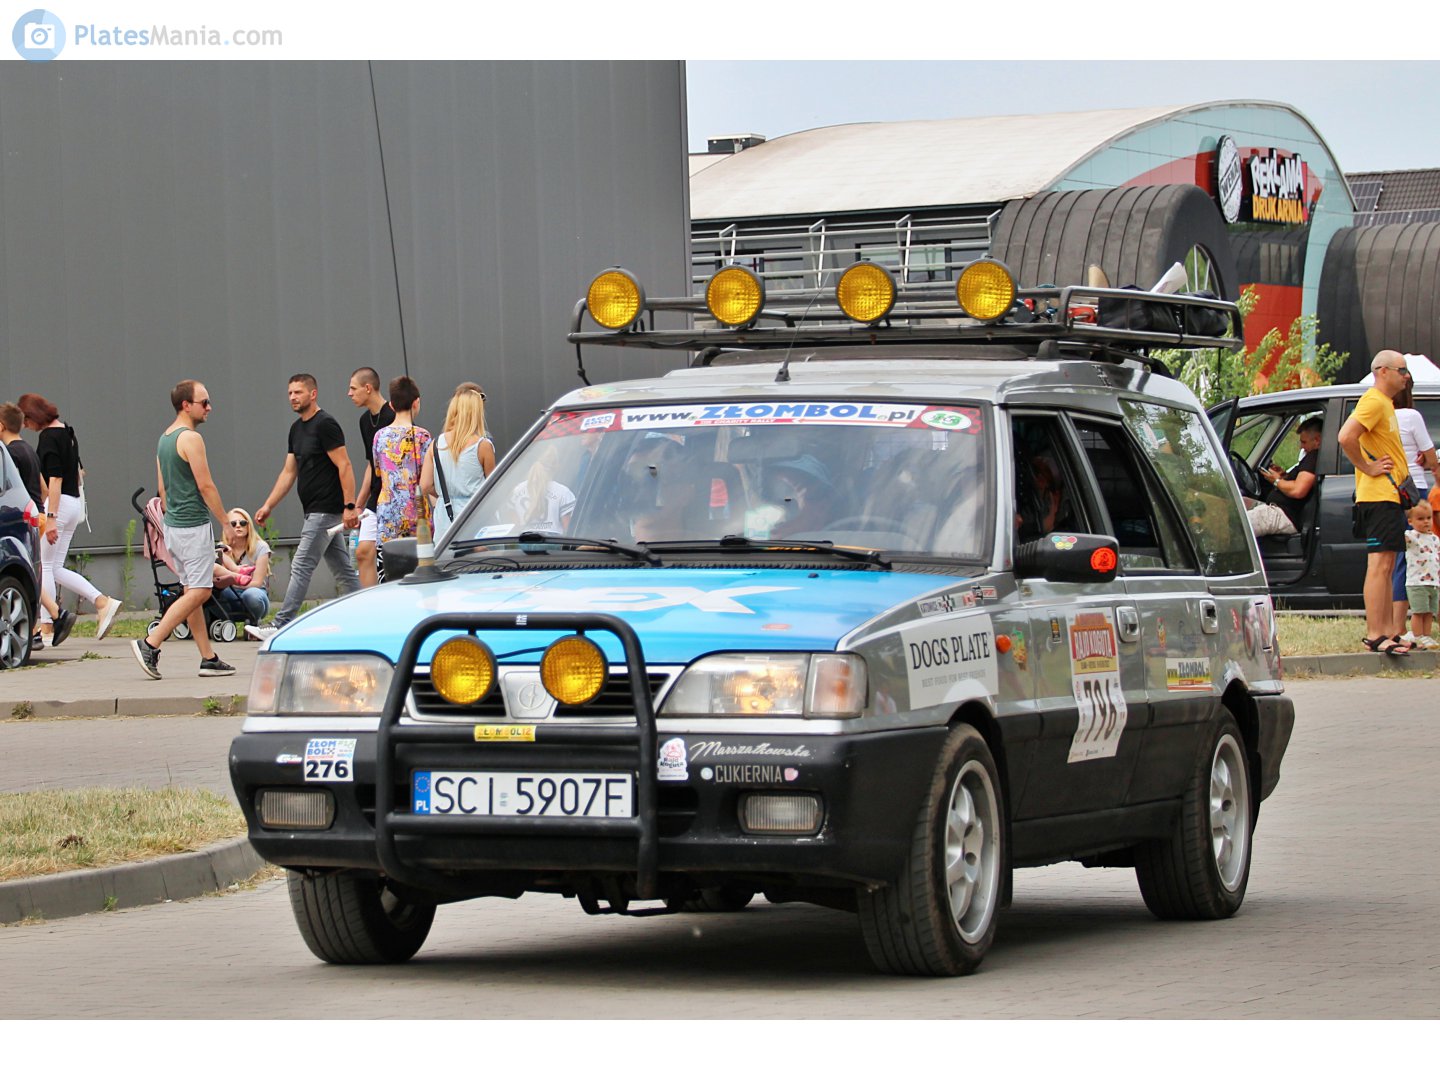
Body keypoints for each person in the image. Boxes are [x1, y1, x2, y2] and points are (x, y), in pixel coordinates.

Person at [129, 380, 235, 679]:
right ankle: (150, 643)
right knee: (201, 591)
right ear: (186, 405)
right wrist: (225, 521)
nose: (209, 407)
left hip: (173, 526)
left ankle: (208, 658)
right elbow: (205, 485)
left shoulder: (164, 439)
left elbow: (162, 491)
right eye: (204, 402)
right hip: (192, 525)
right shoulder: (190, 438)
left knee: (192, 592)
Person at [249, 373, 361, 639]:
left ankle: (280, 624)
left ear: (313, 394)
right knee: (344, 570)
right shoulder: (296, 429)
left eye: (298, 392)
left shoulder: (326, 425)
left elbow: (344, 465)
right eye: (290, 393)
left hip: (326, 509)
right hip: (314, 509)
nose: (292, 398)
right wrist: (268, 505)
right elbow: (289, 472)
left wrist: (349, 505)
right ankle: (366, 615)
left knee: (301, 565)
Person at [16, 393, 123, 642]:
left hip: (59, 505)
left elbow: (55, 479)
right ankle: (101, 601)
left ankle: (48, 626)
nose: (26, 426)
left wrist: (50, 517)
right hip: (74, 504)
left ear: (33, 416)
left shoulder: (48, 437)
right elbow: (76, 472)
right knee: (54, 568)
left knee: (42, 568)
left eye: (26, 420)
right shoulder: (67, 431)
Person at [1337, 350, 1413, 655]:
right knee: (1380, 565)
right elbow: (1345, 436)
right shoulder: (1372, 400)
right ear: (1382, 371)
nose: (1407, 376)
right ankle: (1375, 633)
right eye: (1402, 370)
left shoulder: (1386, 404)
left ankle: (1387, 632)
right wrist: (1367, 467)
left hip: (1390, 496)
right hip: (1378, 496)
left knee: (1388, 563)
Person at [1, 402, 77, 650]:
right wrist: (42, 512)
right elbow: (44, 488)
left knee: (36, 571)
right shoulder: (29, 450)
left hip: (22, 517)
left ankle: (53, 617)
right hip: (36, 514)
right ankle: (40, 627)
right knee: (30, 571)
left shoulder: (10, 454)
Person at [1390, 379, 1438, 639]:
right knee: (1417, 557)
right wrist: (1423, 455)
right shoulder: (1411, 416)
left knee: (1398, 558)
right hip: (1414, 489)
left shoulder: (1380, 416)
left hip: (1390, 489)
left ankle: (1397, 625)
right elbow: (1431, 457)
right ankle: (1420, 625)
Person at [420, 382, 495, 537]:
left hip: (444, 519)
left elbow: (425, 485)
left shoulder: (435, 444)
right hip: (475, 517)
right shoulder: (483, 446)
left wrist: (444, 495)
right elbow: (492, 488)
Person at [345, 367, 394, 588]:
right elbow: (370, 464)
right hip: (376, 495)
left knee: (391, 555)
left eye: (353, 388)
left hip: (395, 495)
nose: (349, 393)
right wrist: (359, 504)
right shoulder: (365, 421)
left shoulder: (392, 416)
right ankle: (368, 602)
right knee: (363, 551)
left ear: (368, 388)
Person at [372, 376, 432, 543]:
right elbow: (427, 477)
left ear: (391, 405)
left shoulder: (379, 436)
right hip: (416, 511)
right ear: (416, 402)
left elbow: (379, 471)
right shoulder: (423, 436)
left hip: (387, 514)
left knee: (388, 566)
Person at [1246, 417, 1323, 537]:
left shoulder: (1314, 457)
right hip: (1278, 510)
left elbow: (1298, 490)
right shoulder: (1313, 458)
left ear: (1317, 440)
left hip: (1284, 514)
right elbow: (1301, 481)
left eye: (1304, 442)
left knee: (1237, 525)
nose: (1301, 447)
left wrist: (1276, 480)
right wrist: (1284, 476)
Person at [215, 507, 271, 625]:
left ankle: (254, 621)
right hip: (230, 593)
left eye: (243, 523)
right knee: (218, 594)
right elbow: (218, 580)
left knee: (252, 595)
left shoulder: (261, 547)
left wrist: (233, 581)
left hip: (254, 592)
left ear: (248, 525)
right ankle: (223, 624)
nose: (238, 526)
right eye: (233, 524)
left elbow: (257, 583)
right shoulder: (221, 548)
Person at [506, 444, 575, 534]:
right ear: (557, 467)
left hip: (523, 543)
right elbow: (569, 531)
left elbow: (513, 527)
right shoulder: (564, 493)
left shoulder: (516, 491)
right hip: (553, 545)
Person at [1402, 500, 1440, 650]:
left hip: (1434, 582)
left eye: (1428, 518)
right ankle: (1418, 636)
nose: (1426, 522)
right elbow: (1402, 538)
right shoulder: (1411, 536)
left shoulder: (1435, 539)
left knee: (1429, 612)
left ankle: (1426, 635)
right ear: (1410, 521)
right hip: (1416, 582)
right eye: (1420, 518)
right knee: (1419, 612)